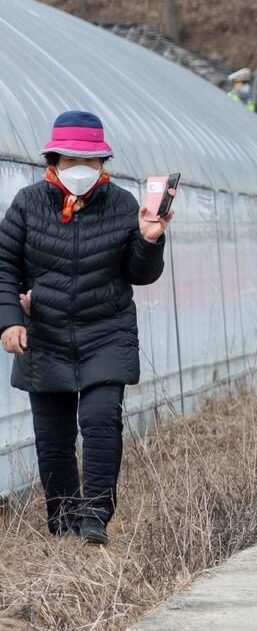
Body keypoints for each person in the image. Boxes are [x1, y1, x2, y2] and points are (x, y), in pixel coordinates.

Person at [0, 111, 171, 545]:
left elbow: (139, 273)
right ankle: (63, 519)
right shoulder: (28, 203)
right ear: (53, 160)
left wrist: (150, 239)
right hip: (46, 333)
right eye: (70, 159)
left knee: (99, 421)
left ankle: (96, 514)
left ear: (102, 164)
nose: (80, 169)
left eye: (89, 161)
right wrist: (10, 321)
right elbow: (4, 267)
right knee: (53, 437)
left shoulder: (123, 205)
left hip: (106, 331)